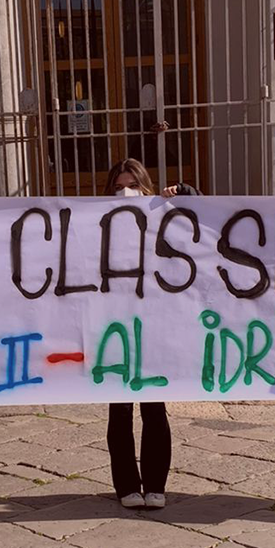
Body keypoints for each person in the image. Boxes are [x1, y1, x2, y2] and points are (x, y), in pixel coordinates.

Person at [102, 158, 199, 509]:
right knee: (120, 410)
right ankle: (127, 486)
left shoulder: (163, 219)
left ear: (146, 188)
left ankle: (155, 485)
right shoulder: (99, 225)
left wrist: (186, 194)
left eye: (131, 185)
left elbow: (207, 225)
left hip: (154, 327)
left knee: (154, 408)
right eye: (117, 187)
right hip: (112, 329)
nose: (125, 192)